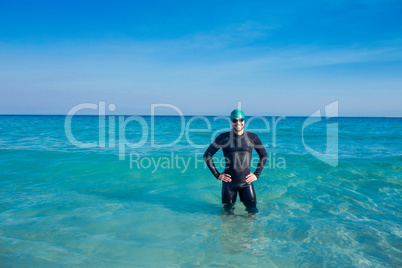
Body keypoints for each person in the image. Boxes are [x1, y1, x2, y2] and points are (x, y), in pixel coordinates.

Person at [204, 109, 267, 214]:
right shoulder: (223, 137)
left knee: (253, 213)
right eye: (235, 120)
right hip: (229, 184)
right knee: (227, 215)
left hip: (246, 183)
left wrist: (256, 174)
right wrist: (217, 175)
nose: (238, 123)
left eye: (241, 120)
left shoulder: (252, 138)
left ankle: (252, 231)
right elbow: (207, 155)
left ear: (244, 121)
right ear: (231, 121)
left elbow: (263, 155)